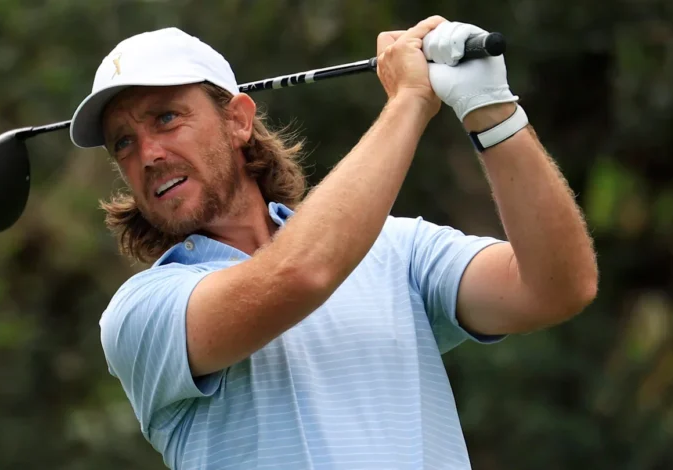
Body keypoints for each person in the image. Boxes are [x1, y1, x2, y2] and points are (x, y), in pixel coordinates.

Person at [68, 15, 598, 470]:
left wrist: (492, 110)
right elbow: (298, 274)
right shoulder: (142, 313)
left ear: (238, 120)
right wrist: (411, 99)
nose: (148, 155)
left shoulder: (398, 249)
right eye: (124, 143)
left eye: (166, 118)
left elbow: (557, 287)